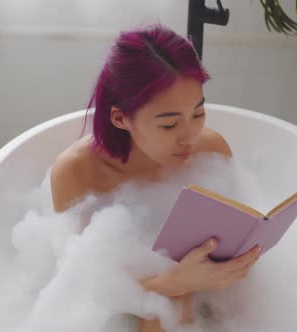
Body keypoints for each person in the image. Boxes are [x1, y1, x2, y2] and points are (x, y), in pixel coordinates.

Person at [50, 24, 261, 332]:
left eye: (198, 114)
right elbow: (80, 283)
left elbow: (235, 234)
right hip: (124, 304)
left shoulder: (211, 151)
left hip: (211, 290)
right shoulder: (76, 173)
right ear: (120, 118)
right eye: (169, 125)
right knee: (166, 307)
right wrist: (172, 282)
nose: (189, 137)